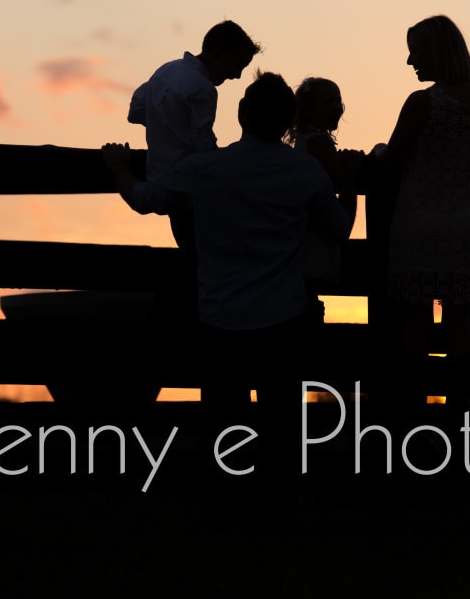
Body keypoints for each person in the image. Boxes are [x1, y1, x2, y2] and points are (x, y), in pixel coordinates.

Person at [103, 70, 354, 482]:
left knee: (225, 421)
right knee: (282, 422)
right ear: (287, 116)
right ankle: (277, 511)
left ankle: (231, 509)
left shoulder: (206, 168)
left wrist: (119, 168)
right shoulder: (306, 172)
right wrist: (352, 186)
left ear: (241, 113)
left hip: (220, 316)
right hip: (285, 316)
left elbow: (146, 199)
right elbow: (339, 229)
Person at [376, 15, 470, 383]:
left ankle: (416, 427)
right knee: (460, 328)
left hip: (418, 226)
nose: (410, 61)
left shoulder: (422, 103)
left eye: (416, 52)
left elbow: (392, 163)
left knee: (415, 326)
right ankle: (457, 423)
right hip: (467, 229)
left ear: (435, 52)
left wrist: (379, 153)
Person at [127, 20, 262, 329]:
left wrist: (165, 130)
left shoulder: (166, 71)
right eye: (236, 65)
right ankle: (188, 323)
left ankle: (178, 320)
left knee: (188, 252)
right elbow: (203, 145)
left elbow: (136, 110)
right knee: (201, 261)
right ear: (217, 53)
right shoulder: (202, 89)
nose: (237, 75)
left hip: (159, 177)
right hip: (192, 192)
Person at [285, 77, 360, 324]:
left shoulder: (303, 140)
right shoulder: (320, 141)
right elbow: (338, 176)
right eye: (328, 101)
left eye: (339, 100)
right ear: (307, 108)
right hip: (317, 227)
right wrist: (352, 169)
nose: (337, 107)